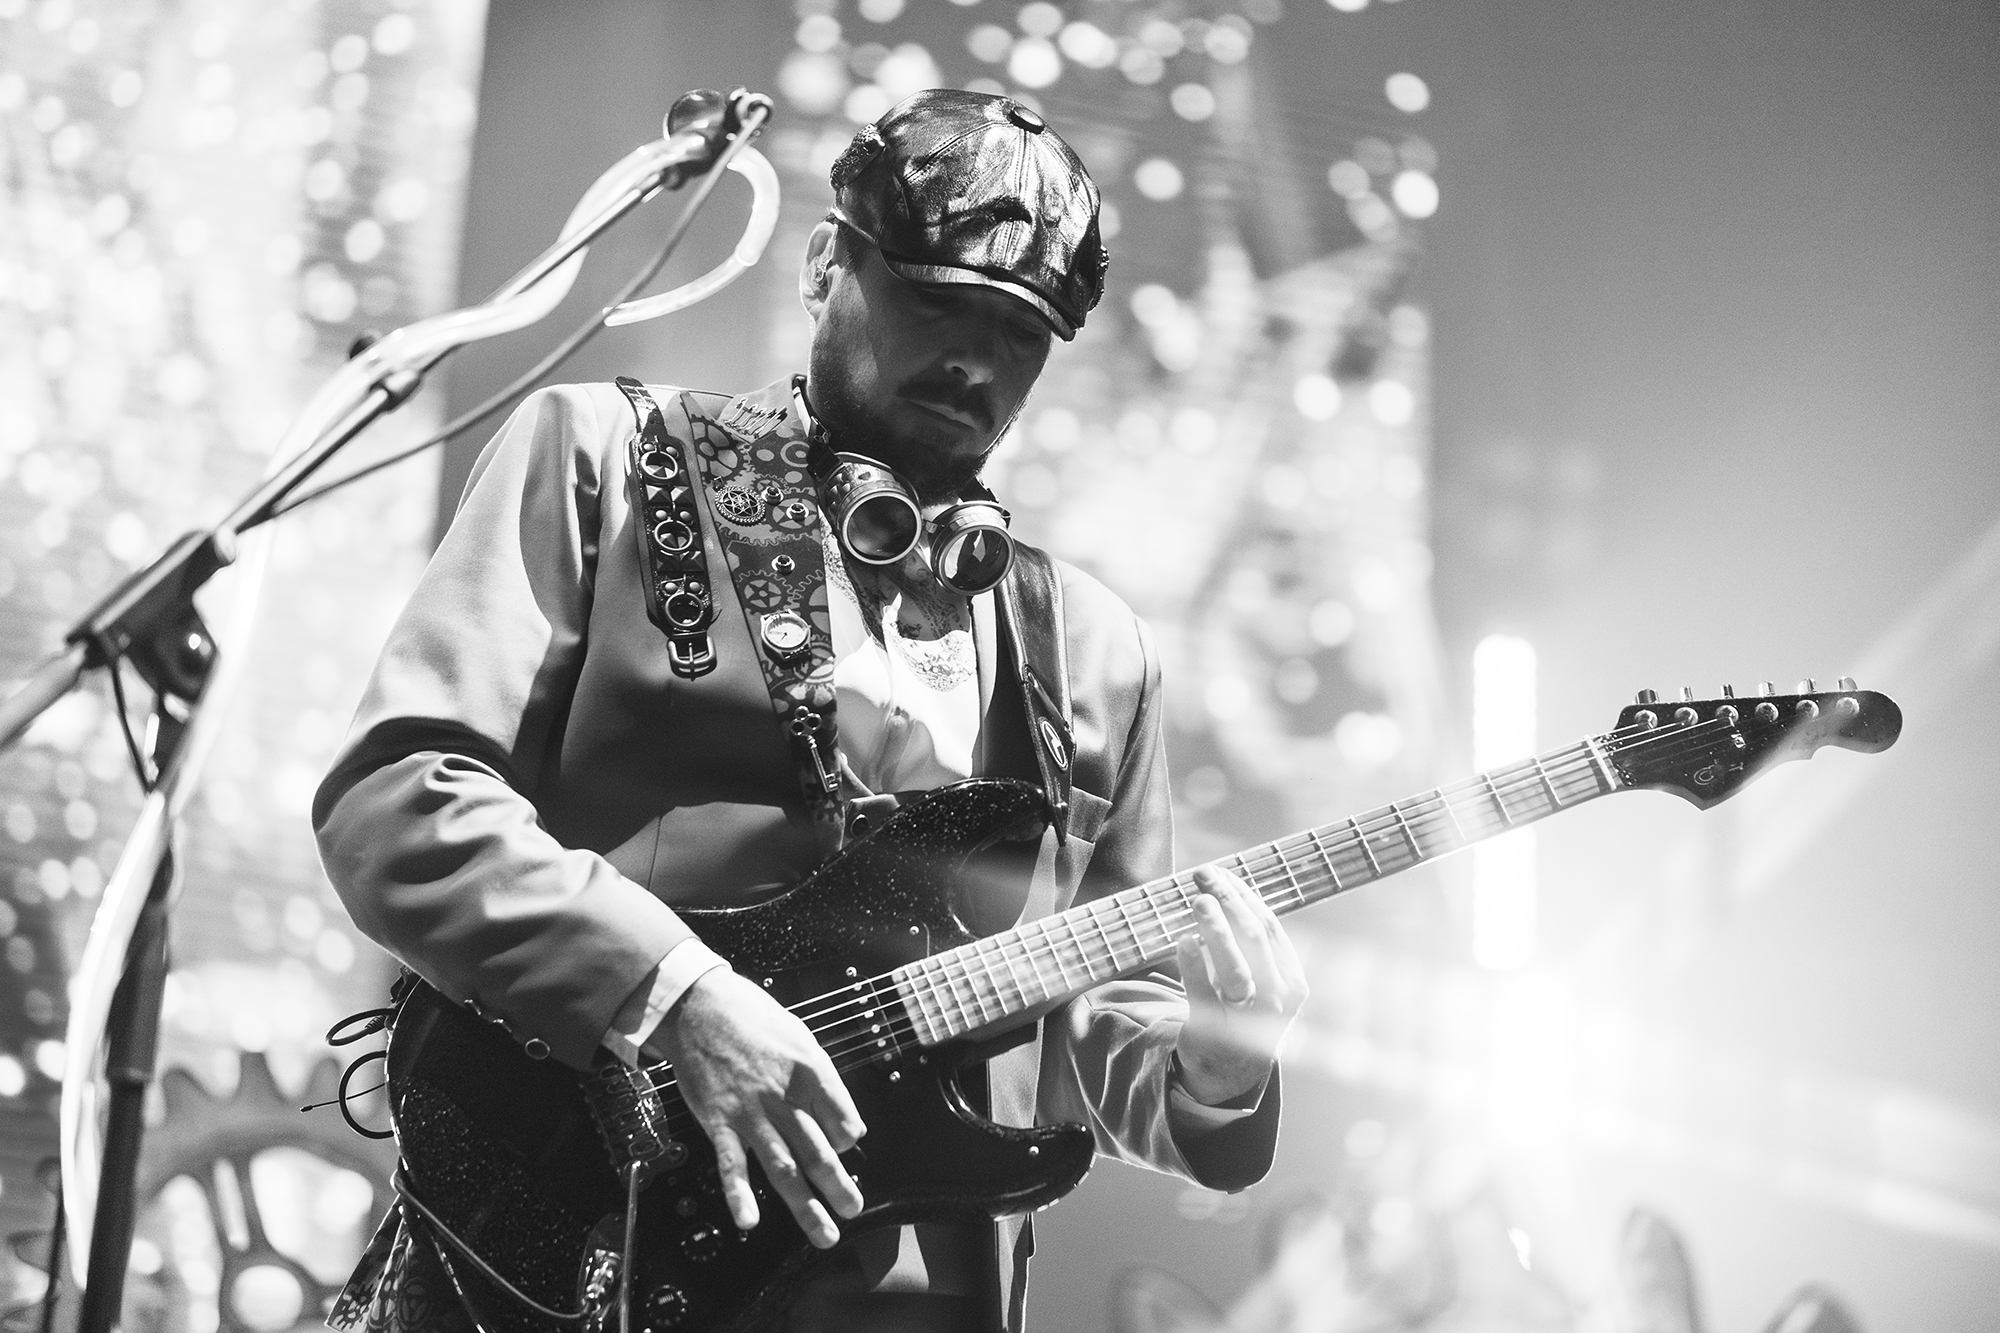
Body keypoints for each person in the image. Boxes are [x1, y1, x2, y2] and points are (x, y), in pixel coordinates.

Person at [314, 89, 1308, 1333]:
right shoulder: (602, 457)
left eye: (1020, 332)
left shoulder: (1098, 653)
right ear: (825, 263)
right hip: (573, 1249)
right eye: (937, 303)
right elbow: (401, 801)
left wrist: (1214, 1073)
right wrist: (671, 994)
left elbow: (1084, 1035)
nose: (977, 363)